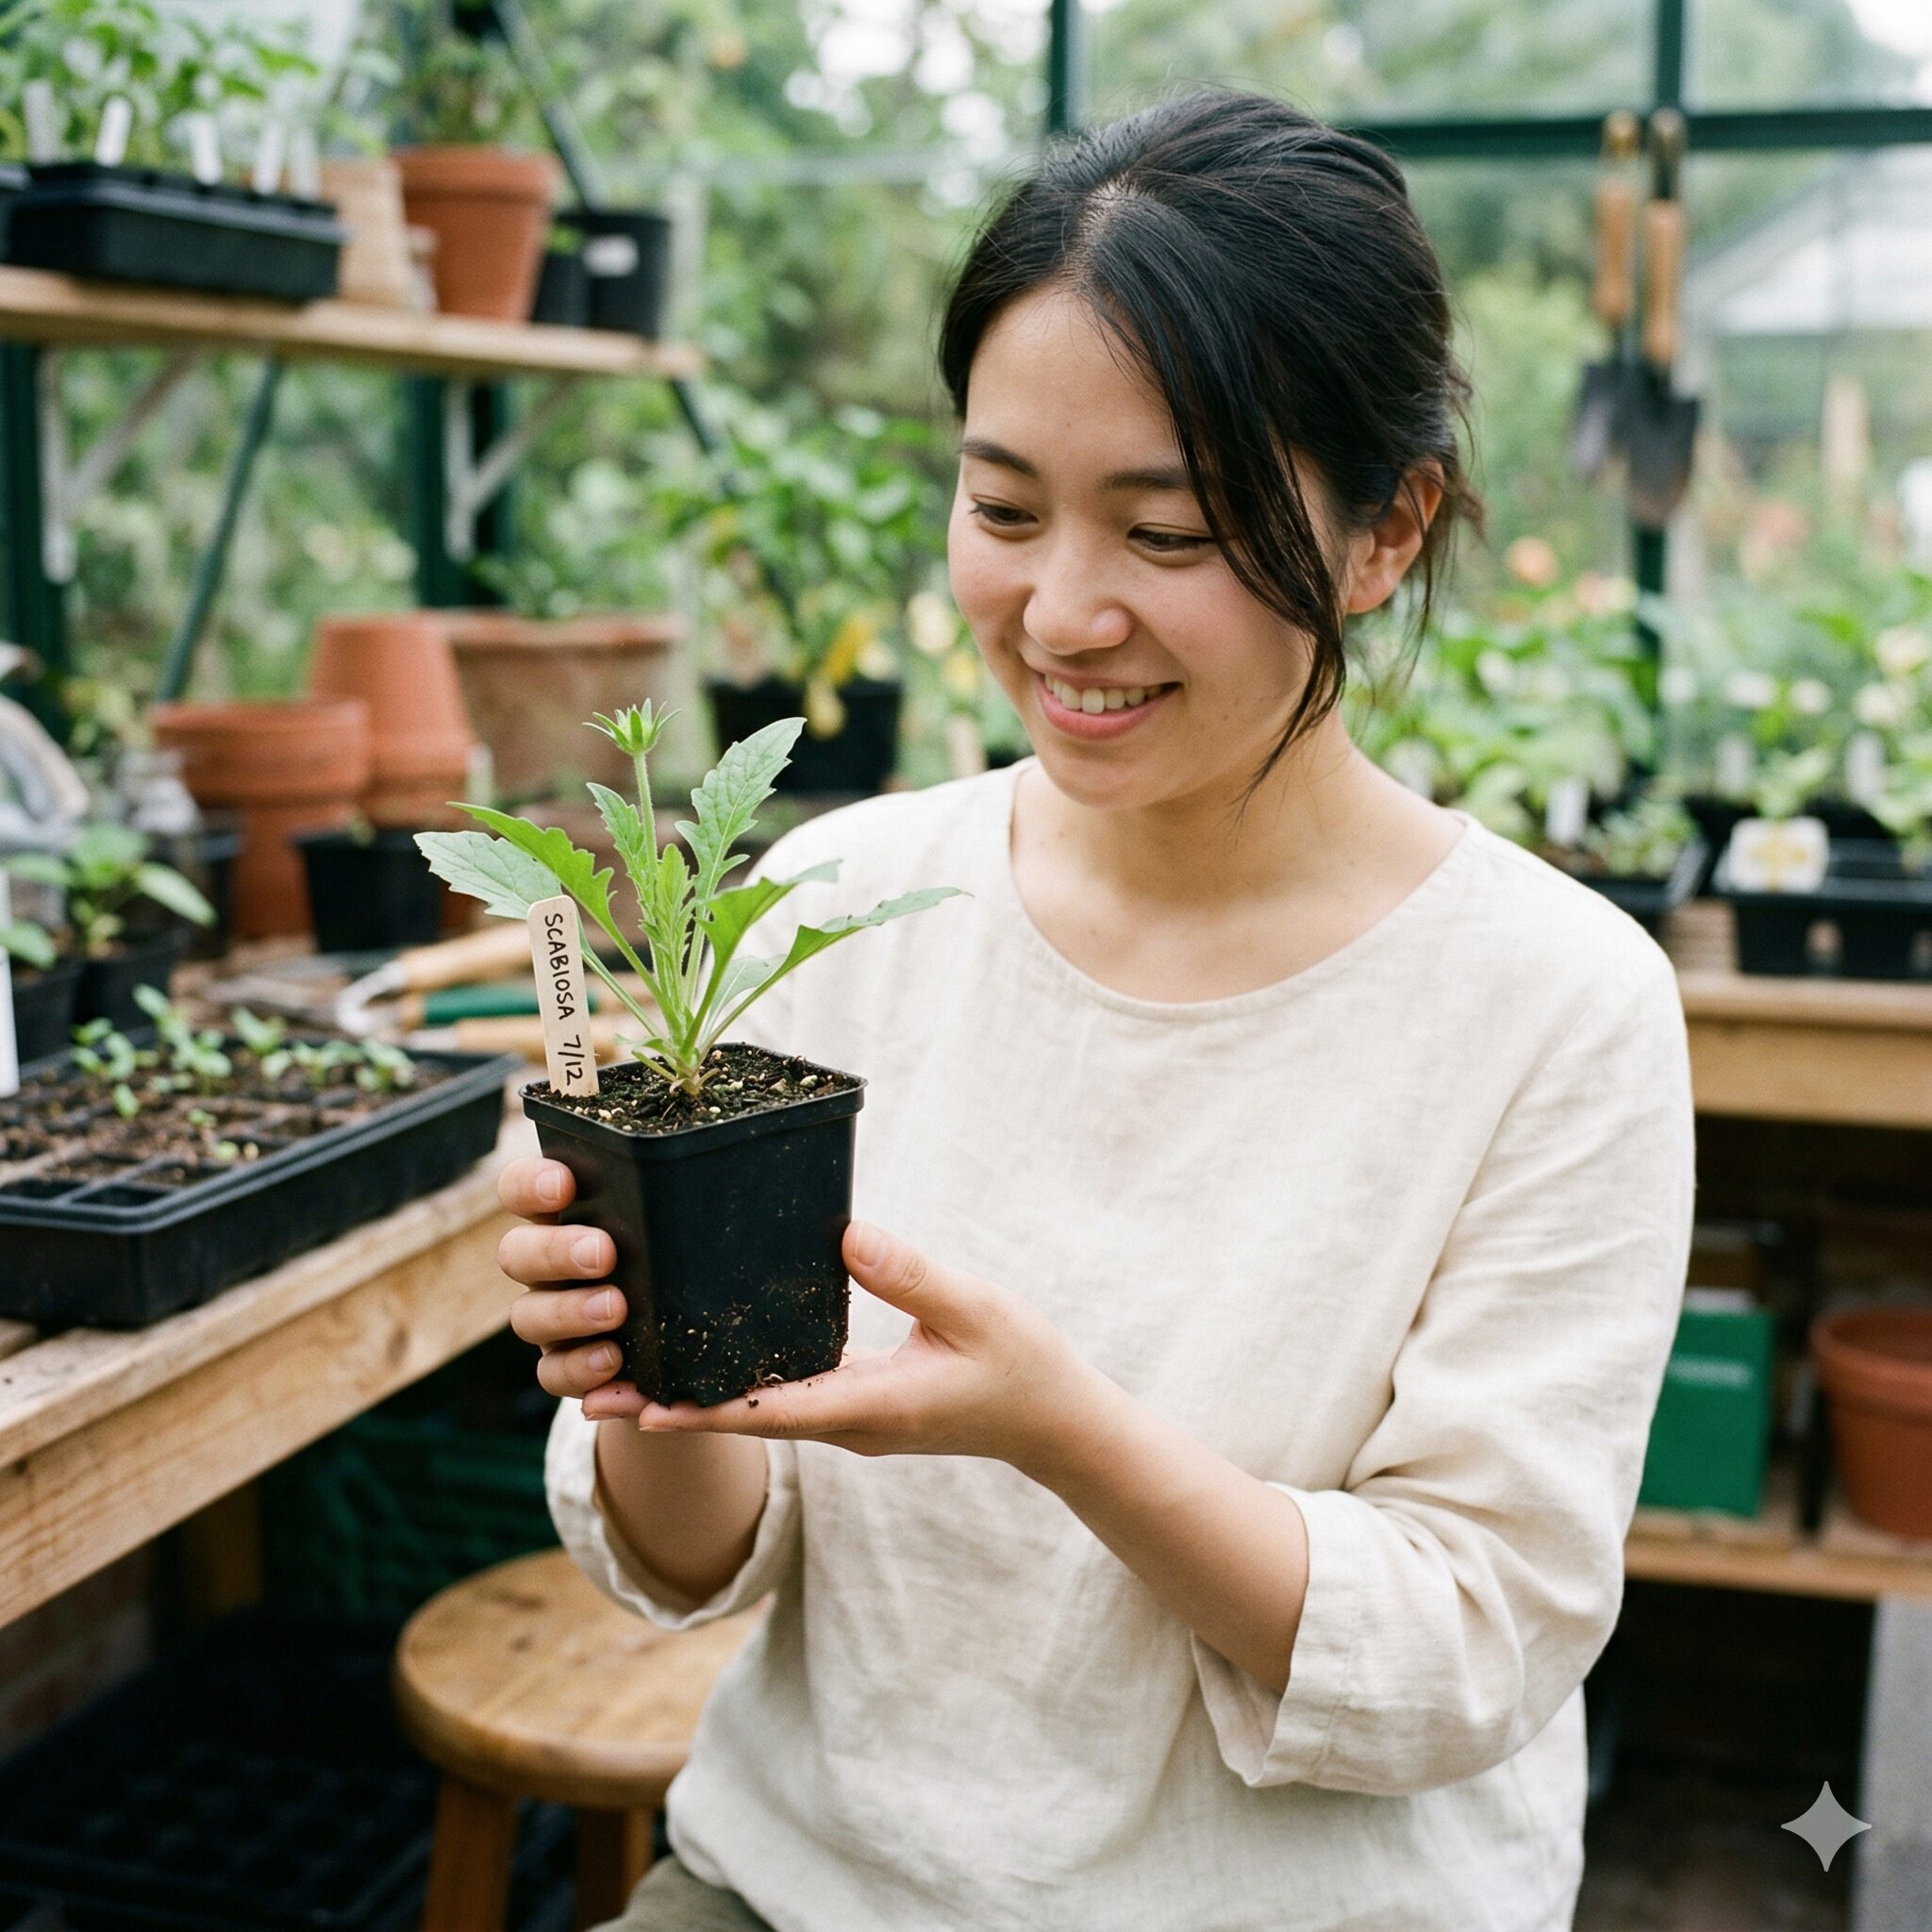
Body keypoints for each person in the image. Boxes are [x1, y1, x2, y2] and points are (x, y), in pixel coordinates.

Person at [500, 88, 1695, 1932]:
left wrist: (1060, 1424)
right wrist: (646, 1350)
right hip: (805, 1889)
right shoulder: (829, 906)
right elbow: (701, 1565)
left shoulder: (1552, 1005)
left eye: (1169, 530)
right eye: (1002, 506)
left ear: (1389, 533)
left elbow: (1474, 1639)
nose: (1060, 612)